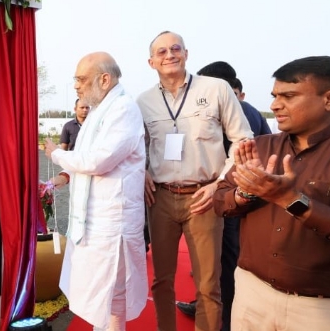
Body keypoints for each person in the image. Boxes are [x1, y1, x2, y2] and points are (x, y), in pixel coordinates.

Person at [214, 56, 330, 331]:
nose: (275, 105)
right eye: (275, 95)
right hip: (251, 294)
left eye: (289, 96)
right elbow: (221, 201)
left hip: (322, 308)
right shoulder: (260, 147)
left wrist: (290, 200)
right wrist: (246, 192)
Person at [137, 32, 253, 331]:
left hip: (204, 197)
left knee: (208, 283)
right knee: (161, 280)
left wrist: (219, 185)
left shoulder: (216, 89)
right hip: (160, 198)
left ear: (186, 53)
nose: (169, 54)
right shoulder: (143, 101)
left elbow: (243, 139)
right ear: (151, 62)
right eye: (161, 51)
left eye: (176, 48)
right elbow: (137, 147)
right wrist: (143, 170)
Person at [44, 51, 148, 331]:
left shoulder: (123, 109)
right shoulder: (101, 110)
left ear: (104, 79)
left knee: (112, 292)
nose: (76, 86)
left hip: (113, 222)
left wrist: (56, 155)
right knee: (100, 291)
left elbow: (98, 161)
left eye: (80, 79)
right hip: (94, 221)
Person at [176, 62, 271, 330]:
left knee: (226, 260)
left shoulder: (239, 113)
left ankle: (224, 320)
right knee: (218, 260)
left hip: (234, 198)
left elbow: (240, 158)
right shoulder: (237, 111)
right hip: (233, 195)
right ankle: (209, 308)